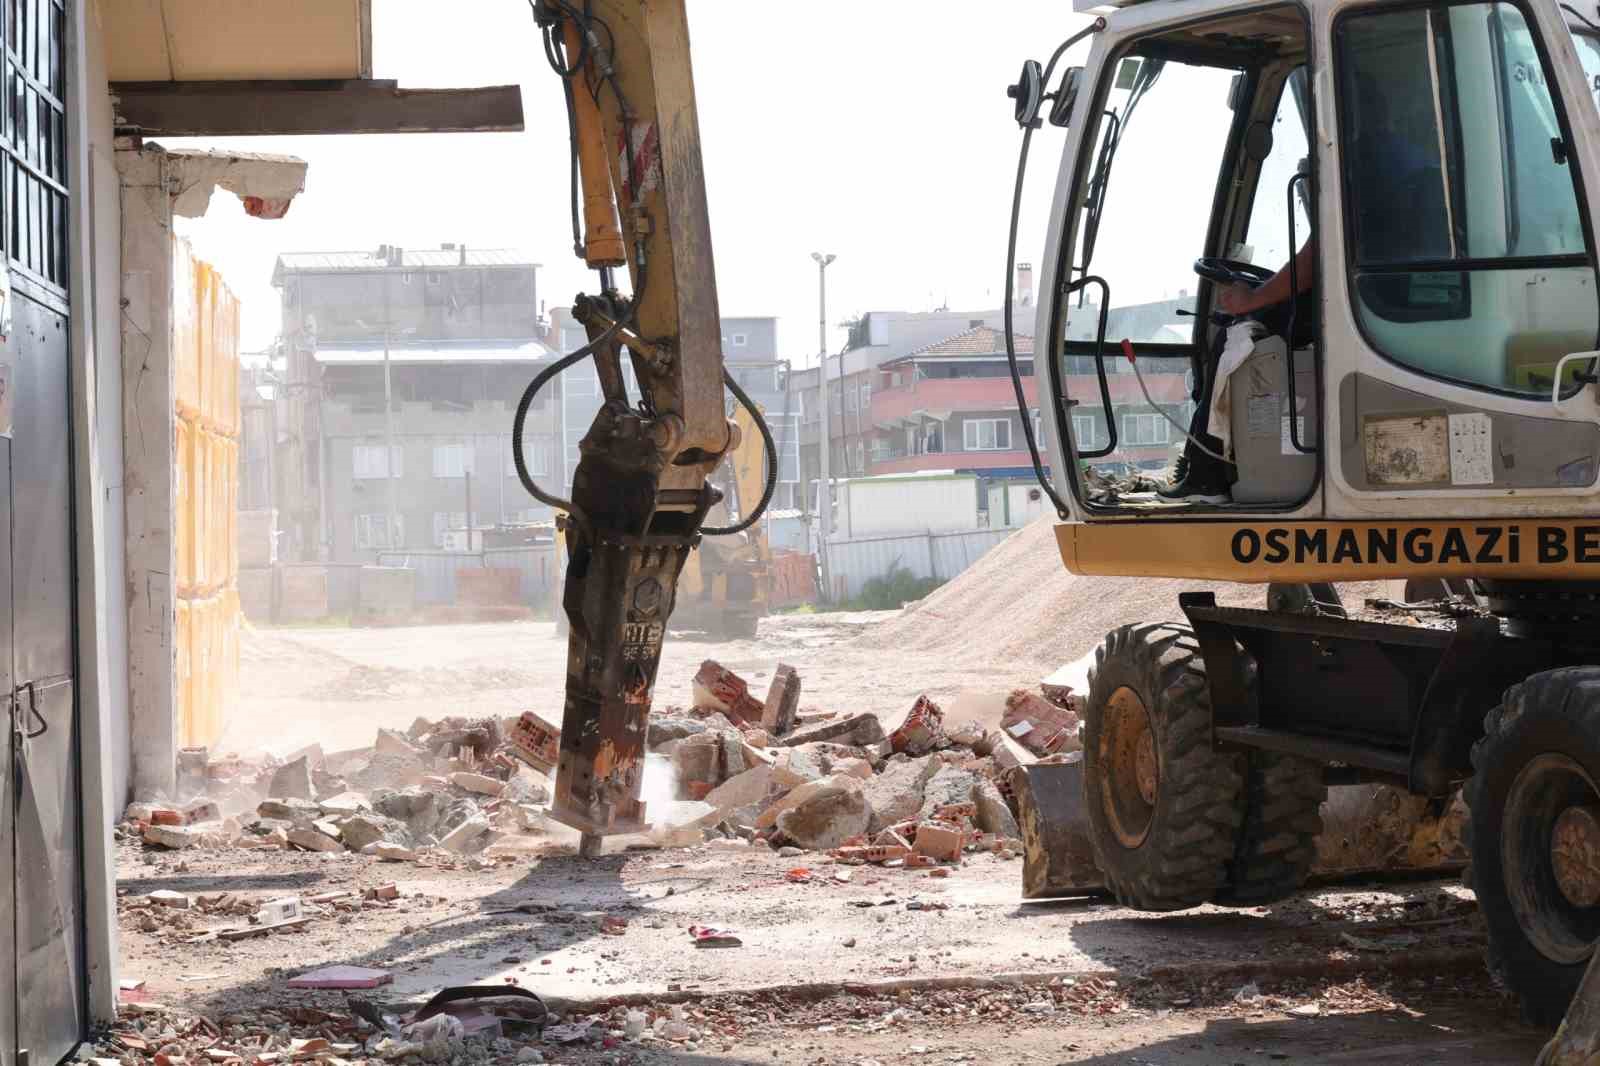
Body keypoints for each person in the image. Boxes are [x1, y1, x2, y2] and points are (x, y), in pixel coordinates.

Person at [1157, 242, 1315, 504]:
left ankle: (1206, 478)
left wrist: (1253, 298)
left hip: (1357, 300)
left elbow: (1312, 260)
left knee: (1233, 336)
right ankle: (1210, 469)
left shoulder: (1343, 204)